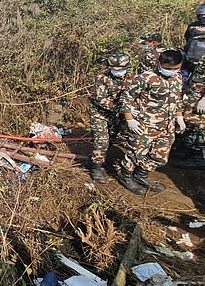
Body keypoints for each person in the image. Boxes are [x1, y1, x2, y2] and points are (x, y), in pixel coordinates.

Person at [119, 49, 185, 194]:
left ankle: (140, 175)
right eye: (168, 69)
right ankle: (125, 176)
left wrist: (179, 117)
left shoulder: (178, 78)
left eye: (176, 68)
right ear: (159, 63)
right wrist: (130, 119)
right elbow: (127, 98)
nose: (172, 71)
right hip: (145, 124)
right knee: (136, 153)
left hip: (167, 126)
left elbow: (177, 99)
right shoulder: (146, 78)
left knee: (160, 157)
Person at [88, 52, 133, 183]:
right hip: (100, 113)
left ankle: (109, 161)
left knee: (115, 138)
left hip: (118, 115)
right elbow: (100, 99)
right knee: (101, 141)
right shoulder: (102, 78)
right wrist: (125, 110)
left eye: (121, 69)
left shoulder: (132, 78)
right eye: (114, 69)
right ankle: (96, 167)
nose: (118, 72)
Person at [174, 58, 205, 169]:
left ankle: (198, 158)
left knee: (199, 125)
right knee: (189, 122)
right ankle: (188, 151)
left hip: (201, 98)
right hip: (194, 94)